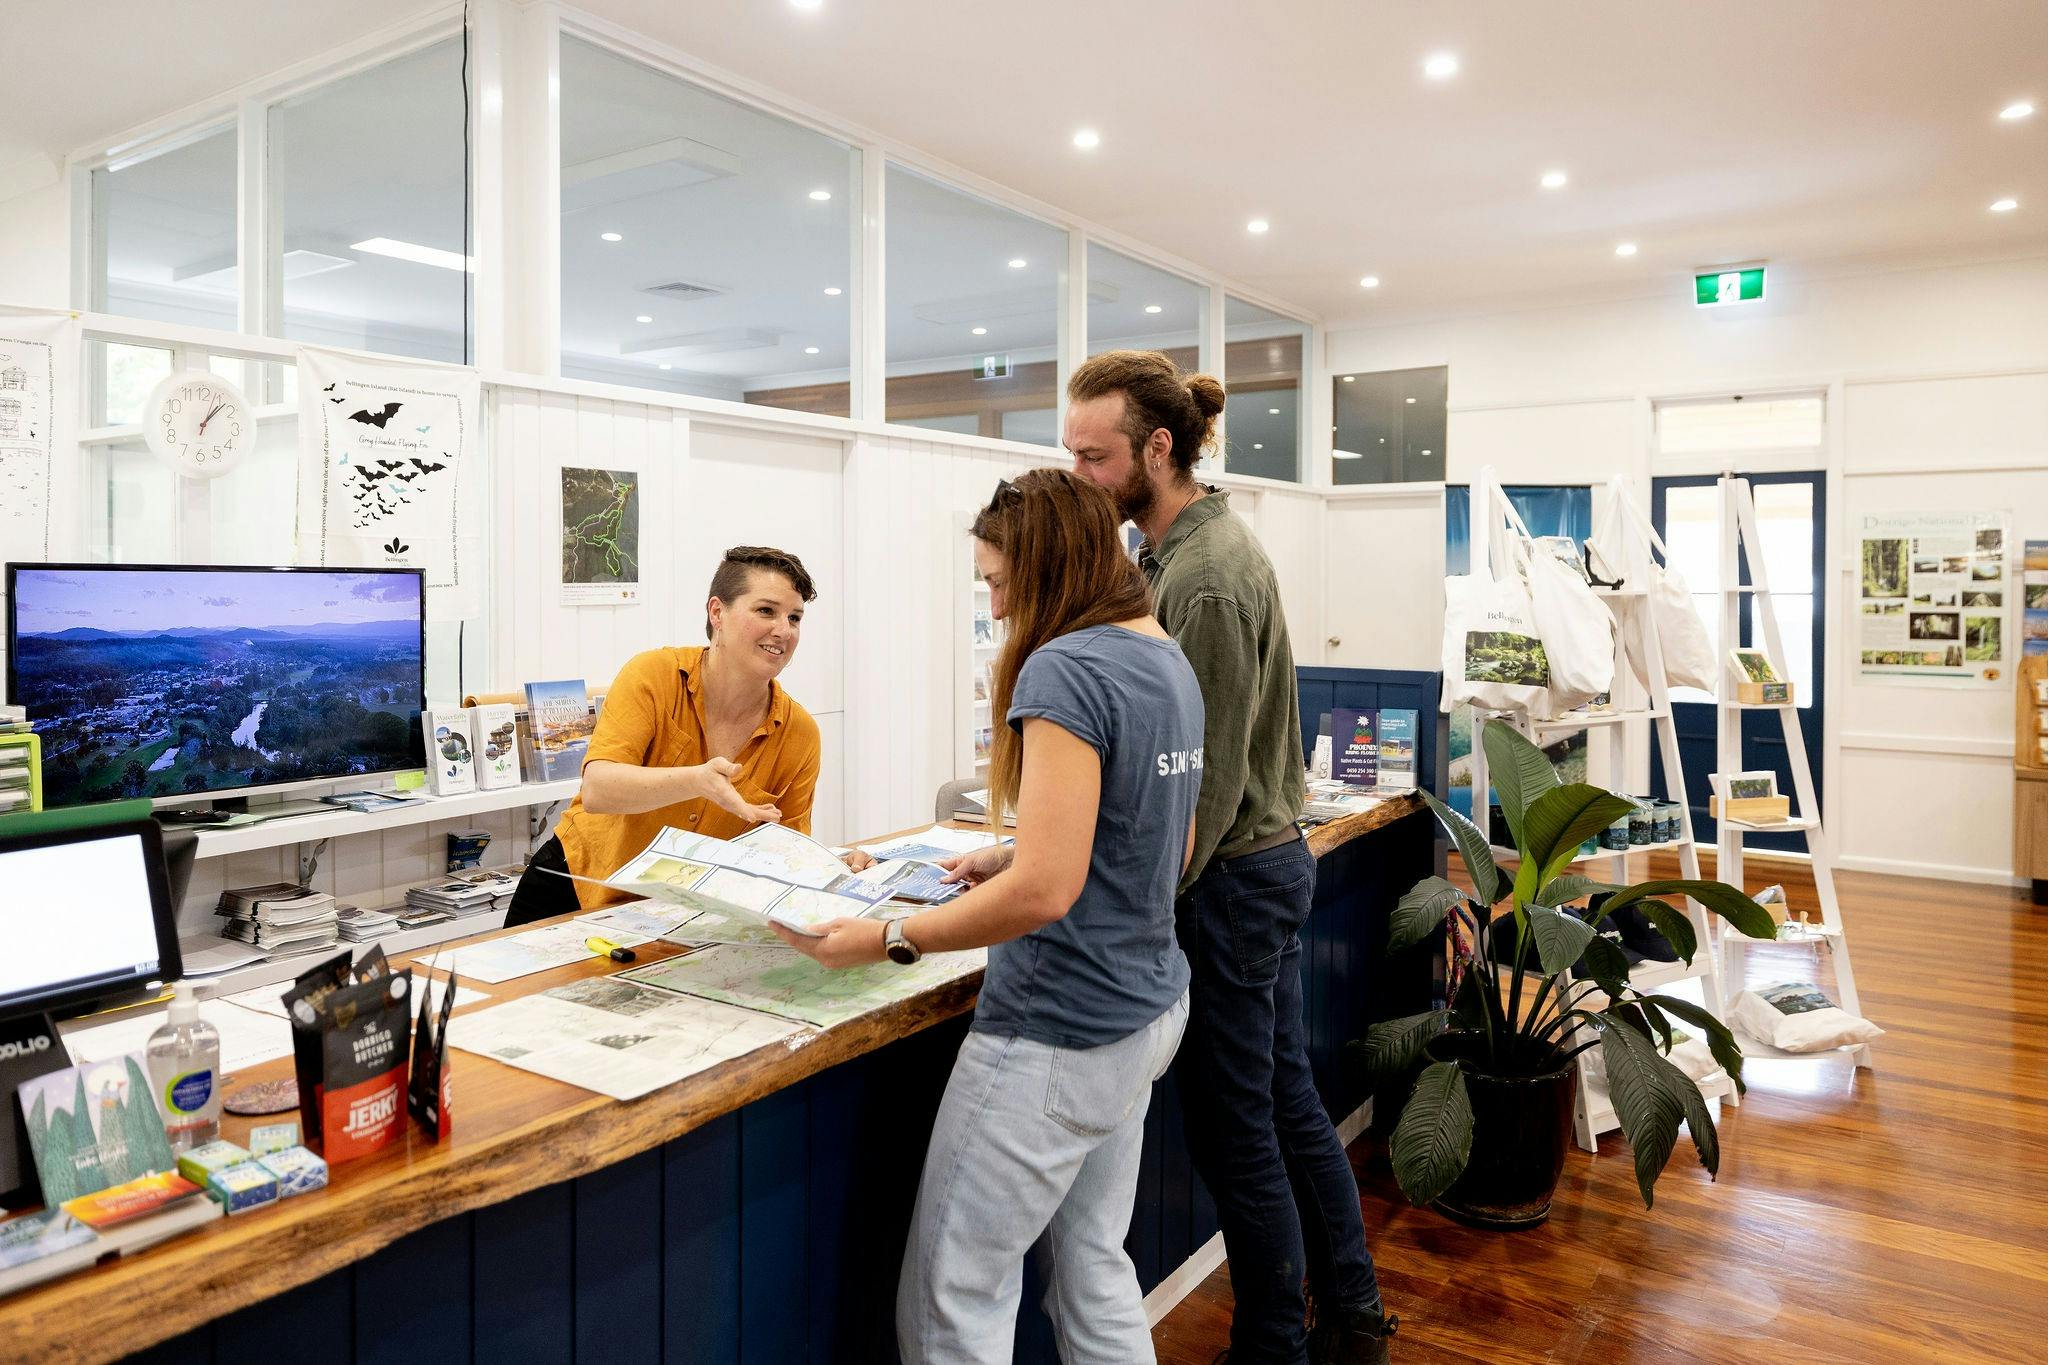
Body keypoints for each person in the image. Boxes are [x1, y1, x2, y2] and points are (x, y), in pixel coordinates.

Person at [775, 470, 1202, 1364]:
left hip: (1059, 1030)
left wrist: (885, 936)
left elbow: (1048, 893)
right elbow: (1170, 836)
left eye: (1000, 581)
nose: (997, 604)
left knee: (953, 1296)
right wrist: (1014, 851)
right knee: (1095, 1265)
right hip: (1148, 1009)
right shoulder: (1162, 652)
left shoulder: (1067, 666)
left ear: (1044, 567)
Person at [1067, 350, 1397, 1365]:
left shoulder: (1201, 579)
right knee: (1282, 1102)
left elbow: (1194, 790)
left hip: (1228, 882)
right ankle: (1347, 1316)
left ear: (1155, 450)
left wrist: (1120, 897)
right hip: (1254, 869)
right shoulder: (1170, 553)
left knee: (1234, 1129)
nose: (1081, 474)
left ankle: (1273, 1343)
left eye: (1096, 455)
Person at [502, 546, 822, 926]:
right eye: (766, 611)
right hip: (575, 884)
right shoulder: (653, 675)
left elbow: (787, 850)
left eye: (795, 617)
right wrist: (698, 781)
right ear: (717, 612)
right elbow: (598, 790)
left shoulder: (800, 732)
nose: (783, 630)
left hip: (676, 913)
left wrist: (833, 869)